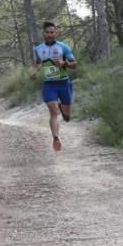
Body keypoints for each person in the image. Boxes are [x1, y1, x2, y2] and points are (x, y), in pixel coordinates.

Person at [30, 21, 78, 151]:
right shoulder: (38, 49)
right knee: (53, 111)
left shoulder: (63, 47)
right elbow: (38, 64)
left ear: (56, 33)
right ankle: (56, 138)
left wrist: (64, 63)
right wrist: (34, 72)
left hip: (64, 83)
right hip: (49, 85)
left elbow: (74, 64)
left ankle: (64, 109)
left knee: (67, 117)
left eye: (52, 32)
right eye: (47, 32)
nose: (50, 34)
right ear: (43, 33)